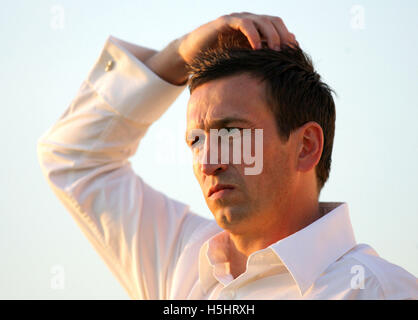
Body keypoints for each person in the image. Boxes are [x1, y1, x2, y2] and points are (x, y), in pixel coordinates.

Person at [37, 12, 417, 299]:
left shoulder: (379, 290)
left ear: (306, 147)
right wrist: (179, 54)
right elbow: (72, 157)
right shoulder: (183, 262)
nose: (208, 163)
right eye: (196, 141)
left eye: (231, 133)